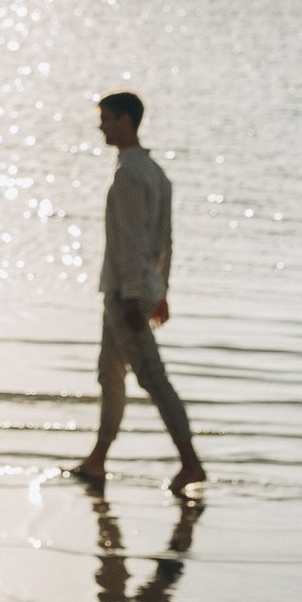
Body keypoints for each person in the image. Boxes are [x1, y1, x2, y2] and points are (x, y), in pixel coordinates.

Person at [75, 91, 205, 491]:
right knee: (109, 374)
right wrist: (161, 289)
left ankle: (191, 462)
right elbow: (164, 240)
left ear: (127, 121)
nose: (102, 126)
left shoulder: (131, 174)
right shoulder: (154, 172)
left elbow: (134, 241)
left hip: (125, 294)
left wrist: (135, 296)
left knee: (152, 378)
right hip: (133, 288)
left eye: (108, 118)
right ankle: (97, 459)